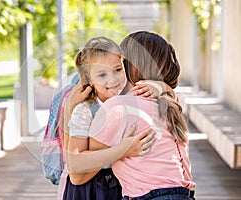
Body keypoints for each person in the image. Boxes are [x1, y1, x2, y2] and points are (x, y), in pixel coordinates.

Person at [83, 31, 196, 199]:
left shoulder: (119, 107)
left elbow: (81, 171)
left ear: (130, 66)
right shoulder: (170, 105)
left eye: (119, 66)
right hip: (183, 194)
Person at [61, 36, 172, 200]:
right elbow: (76, 172)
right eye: (101, 75)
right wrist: (123, 150)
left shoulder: (127, 98)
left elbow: (175, 100)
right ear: (88, 80)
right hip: (90, 190)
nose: (112, 80)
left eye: (118, 70)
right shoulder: (86, 111)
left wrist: (161, 86)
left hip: (121, 186)